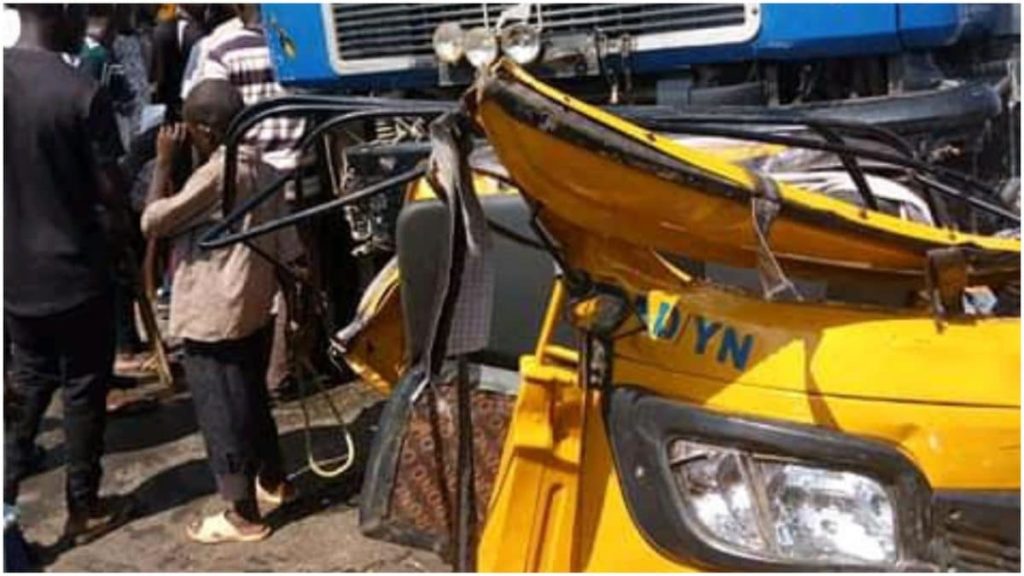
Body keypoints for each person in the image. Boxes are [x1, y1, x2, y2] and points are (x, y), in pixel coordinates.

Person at [141, 79, 301, 544]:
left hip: (213, 315)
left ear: (206, 130)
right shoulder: (268, 170)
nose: (185, 136)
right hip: (252, 306)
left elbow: (153, 220)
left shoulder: (216, 174)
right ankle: (274, 480)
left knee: (220, 412)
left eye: (190, 129)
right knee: (250, 400)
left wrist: (163, 166)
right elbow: (288, 245)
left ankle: (241, 514)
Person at [4, 4, 133, 545]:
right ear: (57, 12)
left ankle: (6, 495)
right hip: (76, 271)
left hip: (14, 272)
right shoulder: (81, 92)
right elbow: (111, 191)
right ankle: (83, 507)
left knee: (28, 383)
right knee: (83, 389)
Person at [189, 4, 307, 399]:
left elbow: (208, 110)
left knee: (248, 275)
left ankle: (257, 369)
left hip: (247, 184)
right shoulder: (305, 36)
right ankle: (285, 366)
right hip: (300, 178)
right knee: (292, 276)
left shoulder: (219, 45)